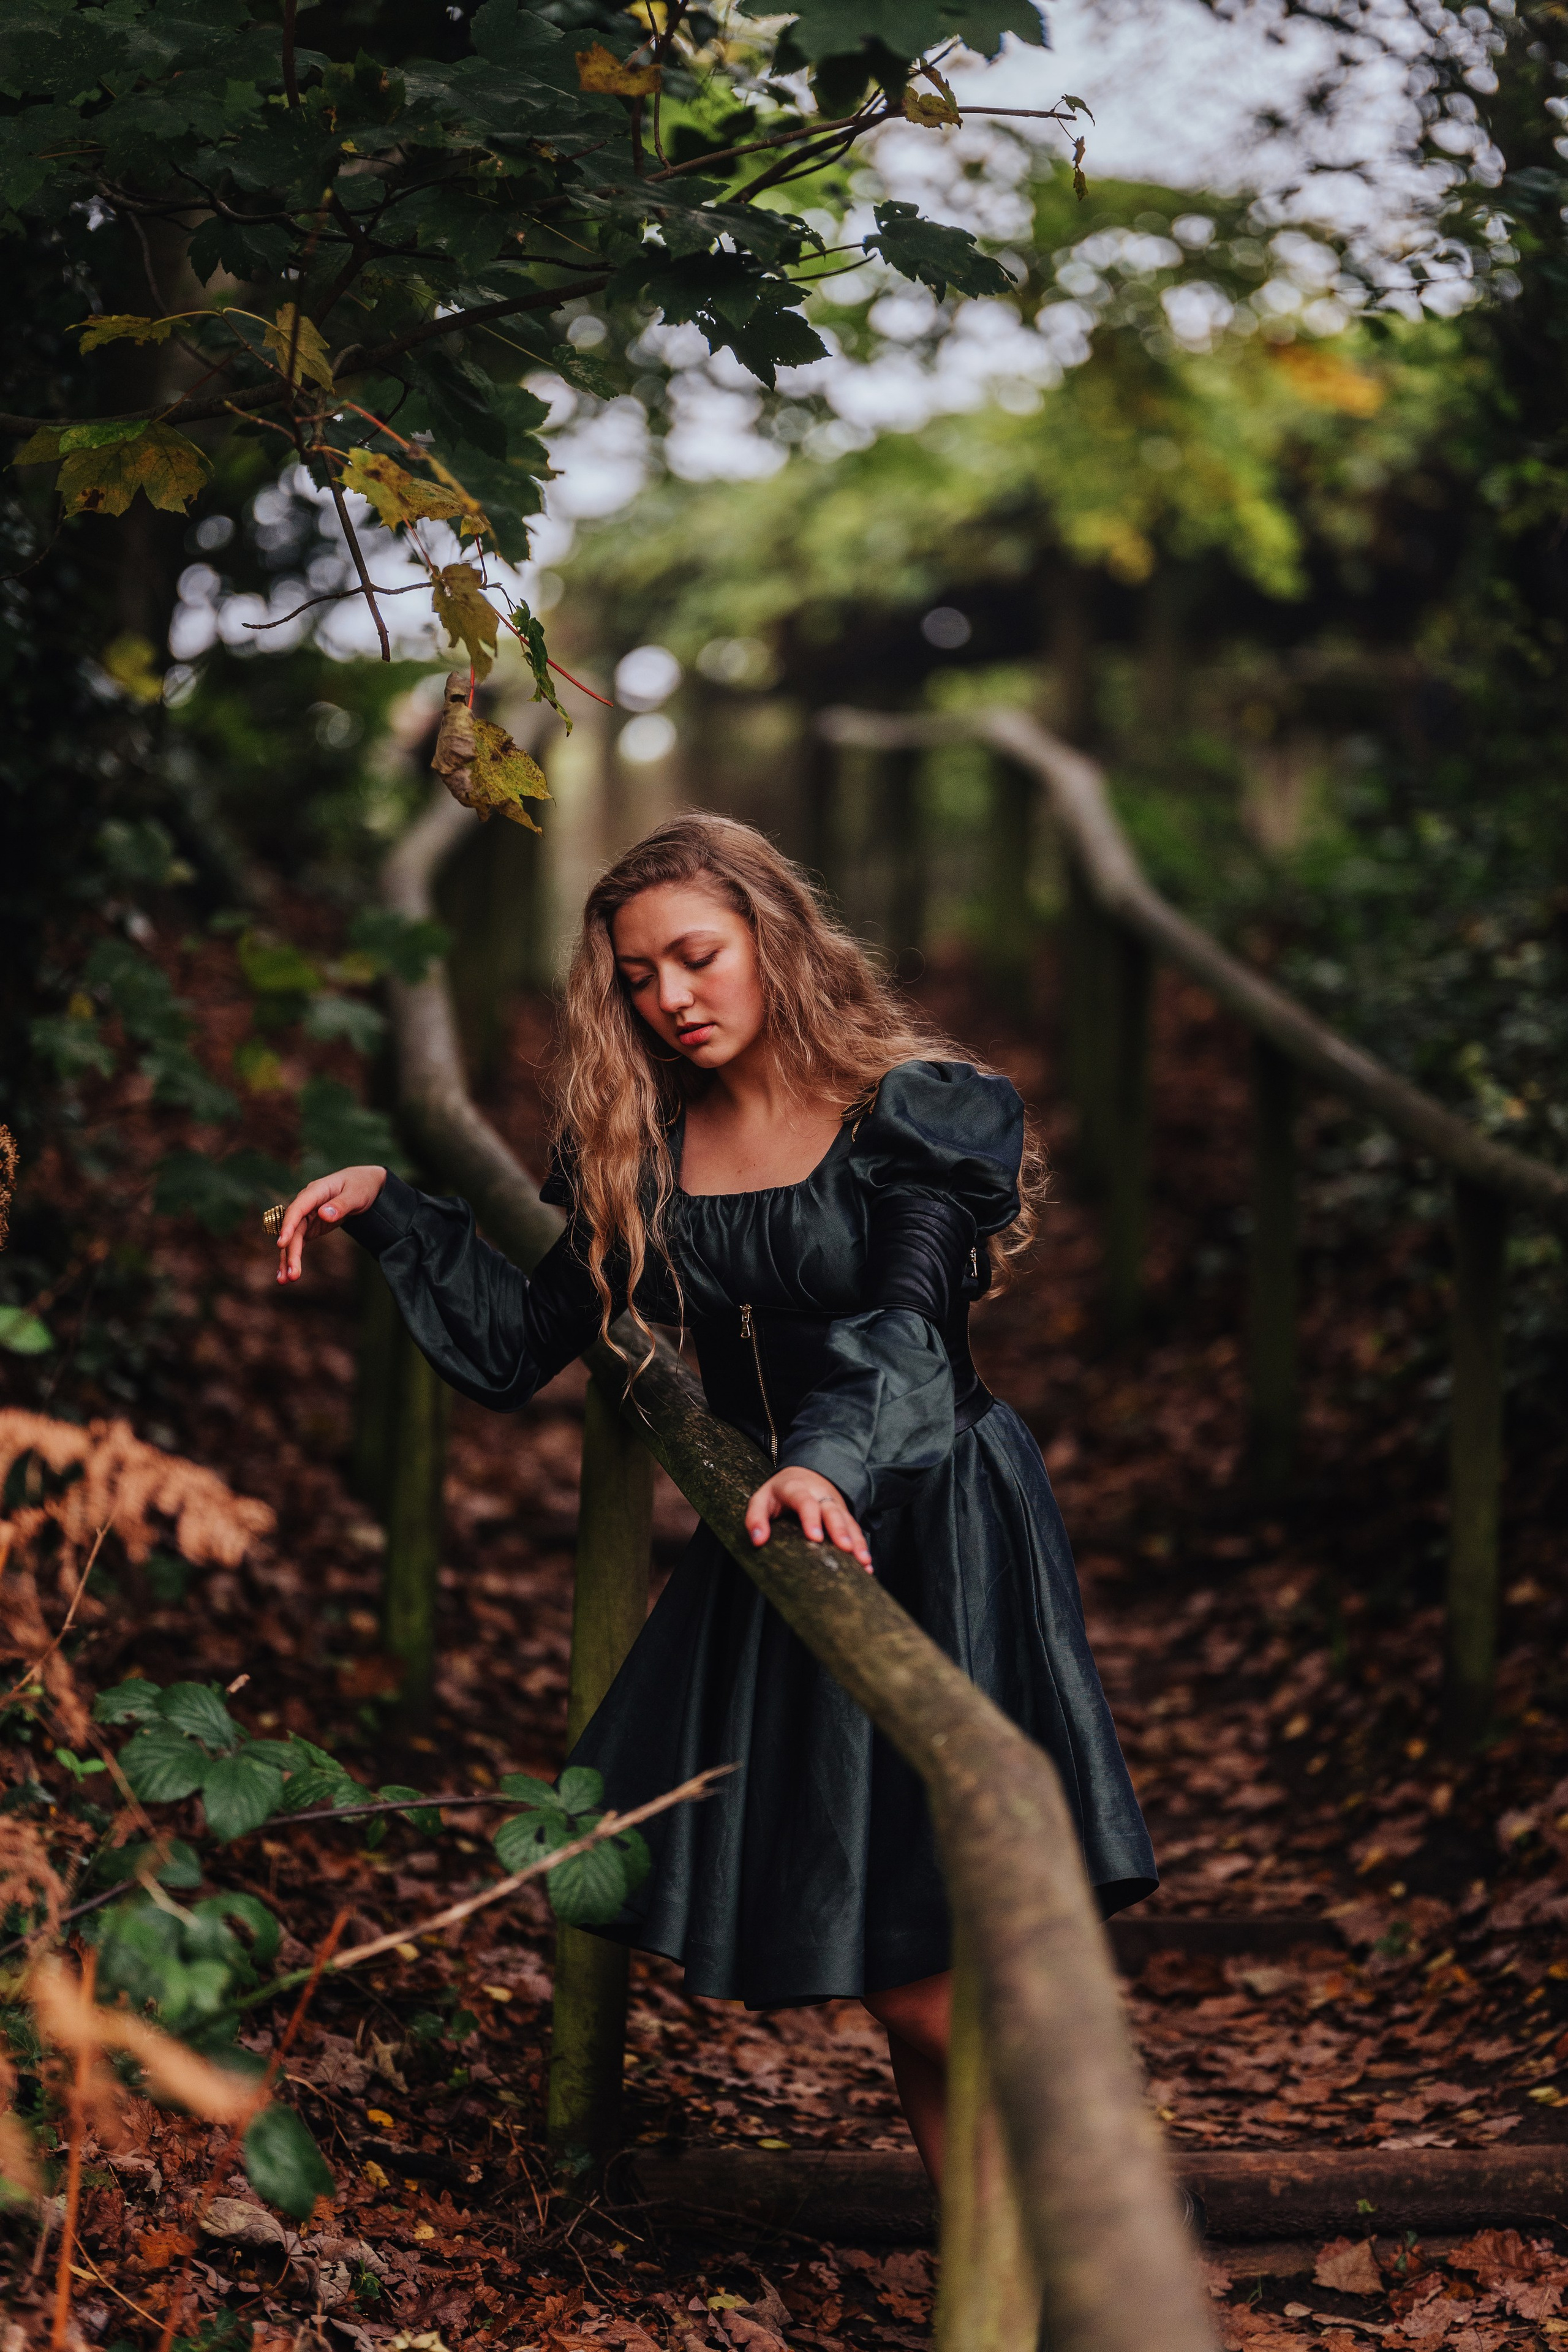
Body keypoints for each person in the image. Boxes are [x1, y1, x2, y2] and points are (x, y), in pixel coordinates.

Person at [274, 813, 1155, 2183]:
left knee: (937, 1973)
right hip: (780, 1536)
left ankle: (1061, 2268)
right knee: (902, 1978)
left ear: (773, 940)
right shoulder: (633, 1149)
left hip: (929, 1516)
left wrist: (822, 1455)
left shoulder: (913, 1115)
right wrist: (390, 1206)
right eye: (636, 976)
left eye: (696, 956)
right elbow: (523, 1341)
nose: (669, 998)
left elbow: (910, 1329)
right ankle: (994, 2288)